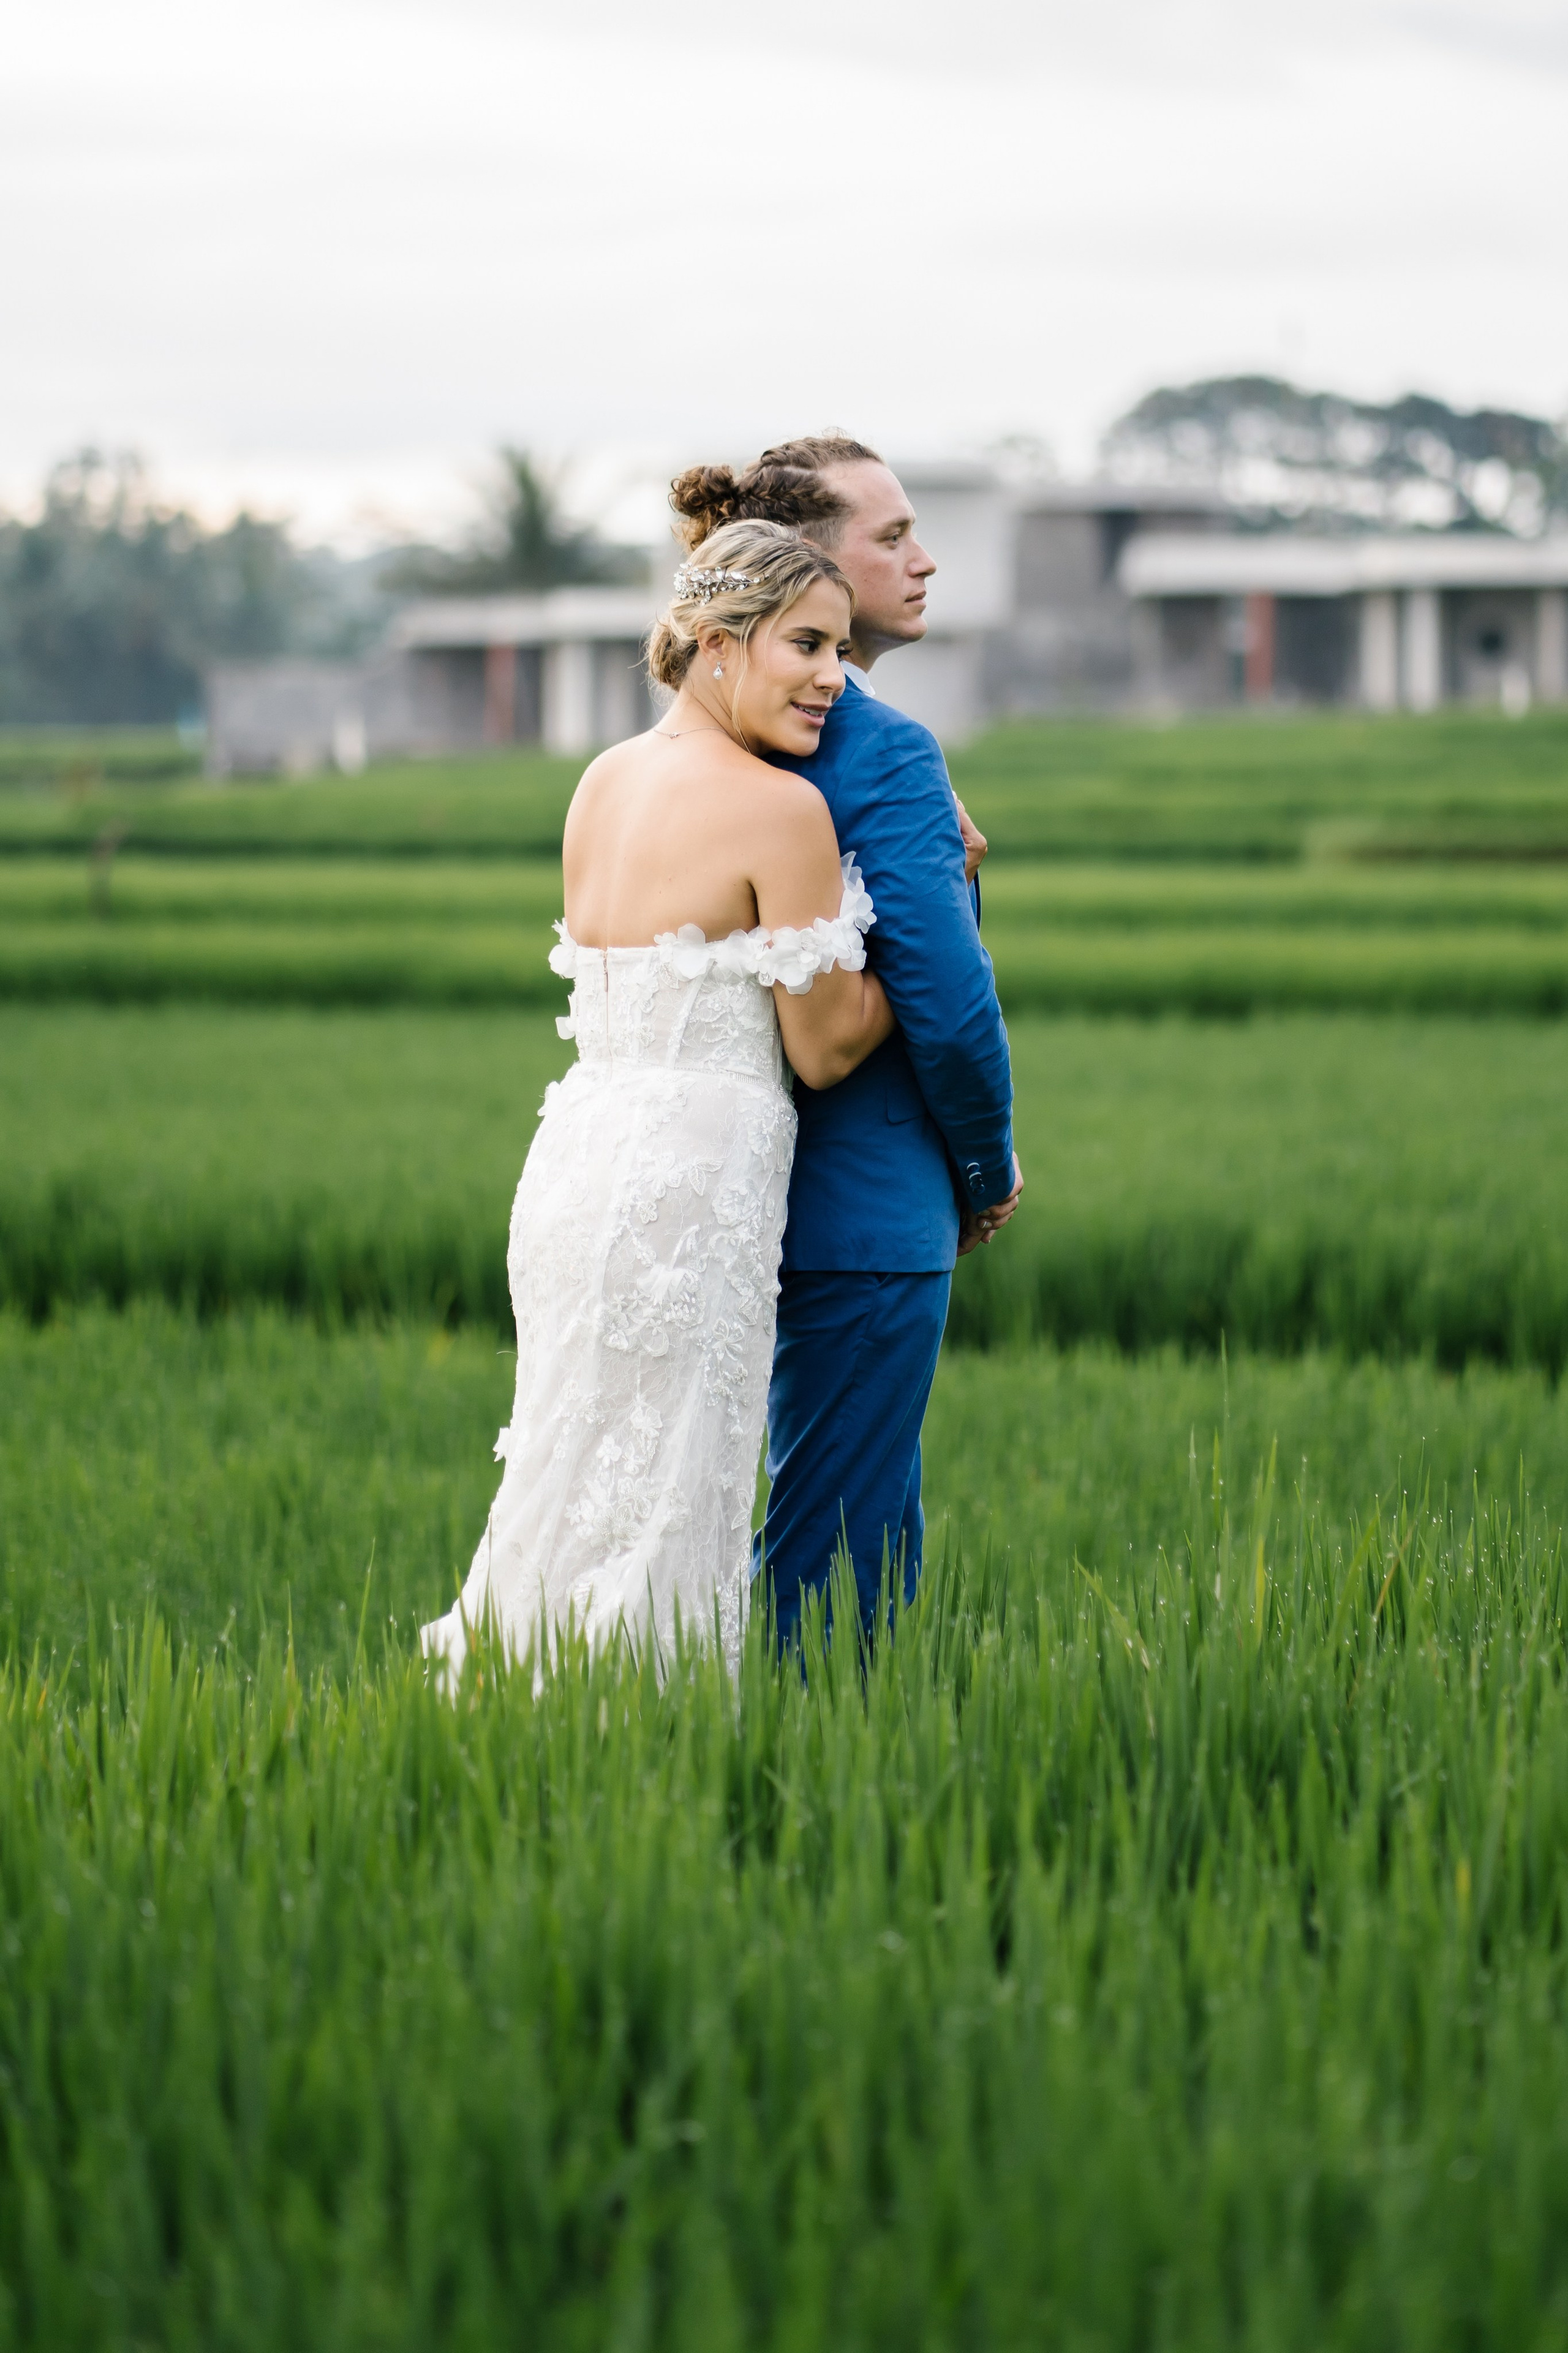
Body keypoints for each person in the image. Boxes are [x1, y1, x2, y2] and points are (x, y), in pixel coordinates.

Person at [421, 522, 892, 1680]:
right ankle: (638, 1738)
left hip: (578, 1164)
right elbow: (827, 1046)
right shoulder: (782, 811)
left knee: (564, 1475)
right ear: (719, 642)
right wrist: (929, 927)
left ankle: (516, 1719)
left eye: (840, 650)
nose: (834, 677)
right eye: (807, 644)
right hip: (691, 1194)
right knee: (673, 1491)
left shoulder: (603, 780)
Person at [669, 437, 1021, 1650]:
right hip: (867, 1210)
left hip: (719, 1193)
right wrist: (987, 1170)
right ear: (809, 562)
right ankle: (811, 1757)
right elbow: (950, 1007)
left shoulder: (705, 747)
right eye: (893, 537)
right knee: (842, 1572)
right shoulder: (885, 755)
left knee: (781, 1528)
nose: (925, 562)